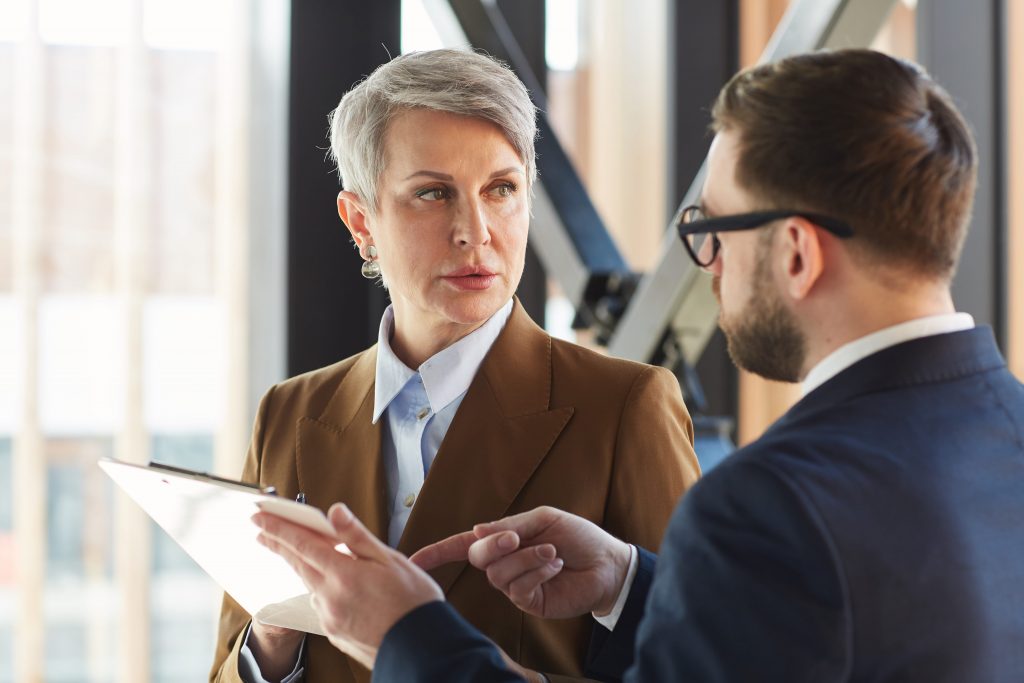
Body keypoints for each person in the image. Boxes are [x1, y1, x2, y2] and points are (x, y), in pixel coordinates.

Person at [253, 47, 1024, 682]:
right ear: (363, 219)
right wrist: (631, 581)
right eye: (431, 194)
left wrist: (407, 636)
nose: (707, 260)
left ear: (794, 251)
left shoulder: (764, 502)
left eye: (714, 225)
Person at [209, 48, 700, 683]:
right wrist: (272, 641)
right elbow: (224, 667)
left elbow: (701, 660)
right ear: (361, 221)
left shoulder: (625, 406)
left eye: (501, 189)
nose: (476, 230)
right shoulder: (291, 411)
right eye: (433, 193)